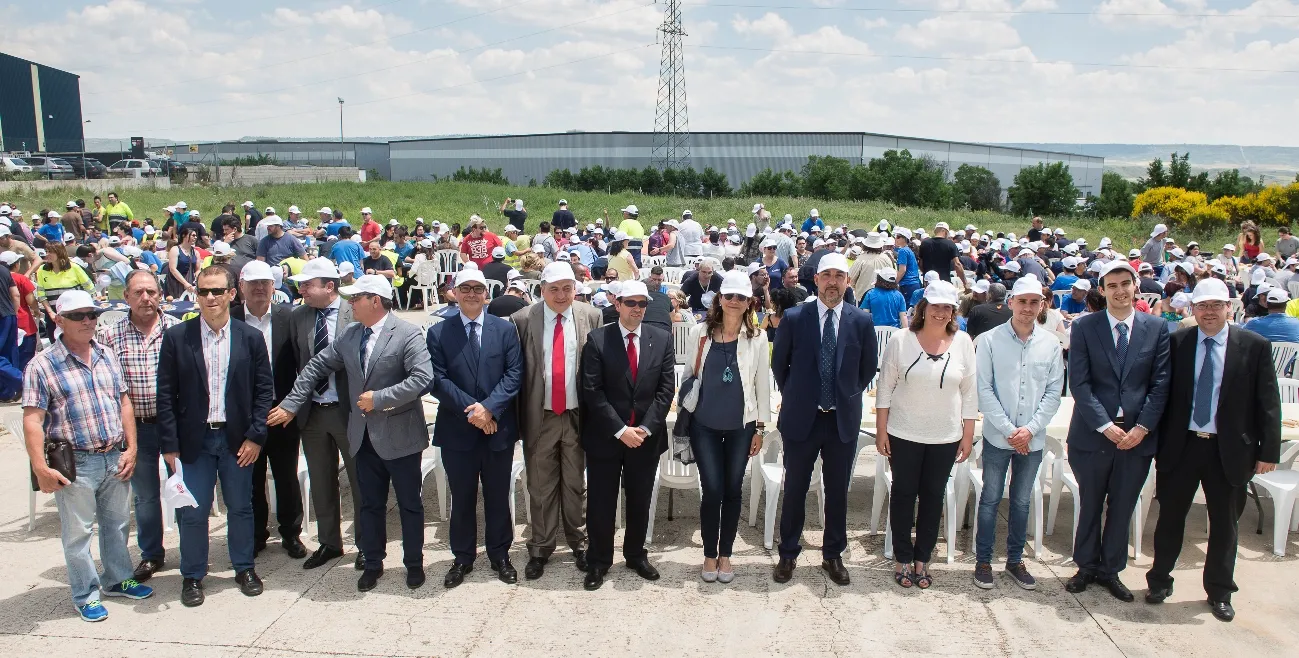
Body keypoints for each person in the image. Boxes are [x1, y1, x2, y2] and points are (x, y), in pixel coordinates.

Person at [269, 275, 433, 591]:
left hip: (401, 437)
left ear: (375, 300)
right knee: (369, 504)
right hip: (363, 436)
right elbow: (316, 366)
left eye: (356, 298)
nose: (350, 304)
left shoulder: (407, 333)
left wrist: (379, 399)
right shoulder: (350, 334)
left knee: (409, 505)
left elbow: (422, 378)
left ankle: (413, 563)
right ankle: (372, 563)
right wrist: (291, 403)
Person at [1145, 278, 1280, 622]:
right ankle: (1159, 581)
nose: (1209, 312)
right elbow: (1161, 393)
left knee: (1225, 525)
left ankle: (1220, 591)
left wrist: (1268, 452)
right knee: (1170, 519)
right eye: (1202, 306)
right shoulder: (1177, 342)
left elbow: (1268, 401)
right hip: (1183, 446)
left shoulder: (1254, 345)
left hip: (1230, 450)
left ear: (1229, 308)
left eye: (1216, 305)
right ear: (1193, 309)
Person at [23, 289, 153, 621]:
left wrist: (131, 447)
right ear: (59, 320)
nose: (87, 321)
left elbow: (123, 401)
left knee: (117, 525)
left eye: (91, 314)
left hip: (113, 456)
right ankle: (85, 594)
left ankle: (118, 579)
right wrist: (40, 468)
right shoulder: (42, 365)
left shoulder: (106, 354)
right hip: (76, 462)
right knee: (78, 533)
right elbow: (33, 420)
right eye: (77, 316)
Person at [157, 266, 273, 607]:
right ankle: (193, 575)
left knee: (241, 507)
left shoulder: (250, 337)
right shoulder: (178, 337)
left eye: (217, 291)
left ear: (231, 294)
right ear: (196, 295)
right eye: (204, 291)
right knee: (193, 512)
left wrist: (256, 435)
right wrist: (169, 445)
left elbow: (263, 391)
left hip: (238, 440)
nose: (210, 297)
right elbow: (165, 394)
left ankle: (244, 568)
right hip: (194, 442)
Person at [1065, 260, 1171, 602]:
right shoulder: (1085, 327)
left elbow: (1160, 384)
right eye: (1112, 285)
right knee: (1091, 503)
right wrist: (1105, 425)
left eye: (1125, 283)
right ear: (1102, 290)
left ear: (1136, 286)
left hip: (1137, 437)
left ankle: (1111, 570)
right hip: (1093, 435)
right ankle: (1085, 566)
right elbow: (1080, 383)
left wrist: (1142, 427)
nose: (1120, 291)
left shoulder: (1156, 328)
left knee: (1123, 505)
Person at [771, 253, 877, 586]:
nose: (833, 282)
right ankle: (788, 553)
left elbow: (867, 369)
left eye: (839, 276)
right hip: (802, 418)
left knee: (837, 491)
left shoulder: (861, 321)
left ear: (848, 281)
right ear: (815, 280)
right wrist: (800, 396)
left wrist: (843, 396)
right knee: (795, 488)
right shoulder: (794, 317)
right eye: (826, 275)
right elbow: (780, 366)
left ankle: (833, 554)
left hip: (841, 420)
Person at [426, 268, 523, 587]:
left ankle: (500, 555)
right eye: (464, 288)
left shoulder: (504, 330)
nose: (471, 294)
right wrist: (475, 412)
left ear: (486, 294)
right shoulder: (438, 332)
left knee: (498, 495)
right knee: (462, 497)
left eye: (477, 289)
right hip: (458, 428)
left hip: (498, 428)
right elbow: (438, 380)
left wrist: (489, 408)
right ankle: (463, 557)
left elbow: (514, 375)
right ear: (454, 293)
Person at [875, 280, 975, 589]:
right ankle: (902, 558)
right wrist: (881, 431)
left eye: (947, 307)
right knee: (903, 496)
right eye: (935, 306)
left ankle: (923, 559)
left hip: (945, 436)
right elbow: (885, 389)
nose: (941, 312)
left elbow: (970, 392)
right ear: (923, 308)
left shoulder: (963, 342)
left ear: (953, 311)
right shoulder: (901, 340)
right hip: (903, 433)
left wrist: (967, 434)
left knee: (933, 498)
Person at [579, 280, 676, 590]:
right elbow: (592, 391)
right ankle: (598, 560)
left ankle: (635, 555)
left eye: (642, 303)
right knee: (601, 502)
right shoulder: (598, 340)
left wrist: (644, 429)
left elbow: (666, 390)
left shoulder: (661, 339)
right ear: (617, 304)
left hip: (645, 439)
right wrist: (620, 430)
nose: (637, 309)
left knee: (639, 500)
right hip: (606, 437)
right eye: (630, 303)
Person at [510, 262, 602, 579]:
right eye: (554, 289)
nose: (561, 295)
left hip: (577, 414)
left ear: (575, 289)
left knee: (576, 484)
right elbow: (516, 372)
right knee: (540, 485)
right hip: (541, 416)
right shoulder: (523, 319)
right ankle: (540, 547)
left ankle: (580, 543)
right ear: (542, 290)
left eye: (567, 288)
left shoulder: (591, 316)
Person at [972, 277, 1064, 590]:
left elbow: (1053, 392)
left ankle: (1014, 560)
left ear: (1042, 306)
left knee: (1022, 501)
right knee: (990, 498)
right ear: (1011, 302)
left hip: (1032, 439)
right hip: (999, 436)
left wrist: (1030, 430)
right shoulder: (989, 340)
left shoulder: (1050, 344)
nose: (1027, 308)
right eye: (1022, 301)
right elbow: (984, 390)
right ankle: (984, 560)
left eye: (1034, 302)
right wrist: (1012, 431)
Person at [681, 271, 769, 583]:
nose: (734, 301)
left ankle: (726, 554)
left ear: (749, 303)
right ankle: (709, 553)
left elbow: (762, 384)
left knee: (733, 490)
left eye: (741, 297)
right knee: (712, 490)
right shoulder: (700, 332)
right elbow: (689, 375)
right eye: (729, 295)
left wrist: (760, 428)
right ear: (720, 299)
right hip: (704, 424)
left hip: (741, 427)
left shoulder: (758, 338)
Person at [98, 270, 181, 582]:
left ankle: (191, 550)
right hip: (136, 429)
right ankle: (151, 554)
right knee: (145, 497)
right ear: (126, 297)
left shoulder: (177, 329)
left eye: (152, 292)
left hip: (174, 426)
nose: (146, 298)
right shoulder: (109, 337)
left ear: (160, 295)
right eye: (138, 293)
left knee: (182, 490)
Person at [283, 258, 365, 570]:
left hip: (349, 411)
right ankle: (330, 542)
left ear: (329, 286)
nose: (301, 290)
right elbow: (298, 360)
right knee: (320, 481)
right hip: (313, 413)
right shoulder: (299, 316)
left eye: (307, 284)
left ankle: (366, 544)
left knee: (360, 480)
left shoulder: (354, 312)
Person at [230, 261, 307, 560]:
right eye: (253, 283)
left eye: (265, 283)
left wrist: (292, 405)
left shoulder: (289, 317)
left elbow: (302, 364)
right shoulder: (231, 318)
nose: (260, 288)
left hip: (282, 410)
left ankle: (291, 533)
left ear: (274, 286)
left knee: (286, 475)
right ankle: (256, 534)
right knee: (251, 477)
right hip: (245, 413)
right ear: (241, 287)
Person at [166, 227, 200, 299]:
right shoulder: (175, 249)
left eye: (196, 236)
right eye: (193, 235)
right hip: (176, 282)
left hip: (191, 282)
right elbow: (173, 269)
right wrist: (185, 283)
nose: (195, 237)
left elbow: (197, 269)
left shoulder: (196, 252)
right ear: (184, 235)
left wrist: (197, 281)